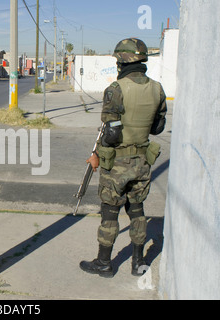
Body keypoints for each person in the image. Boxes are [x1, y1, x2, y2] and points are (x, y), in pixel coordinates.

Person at [79, 38, 167, 278]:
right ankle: (139, 262)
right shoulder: (158, 89)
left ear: (122, 60)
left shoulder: (116, 90)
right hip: (142, 161)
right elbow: (158, 127)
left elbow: (111, 133)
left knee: (110, 213)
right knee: (137, 210)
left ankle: (104, 263)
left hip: (117, 163)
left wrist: (97, 155)